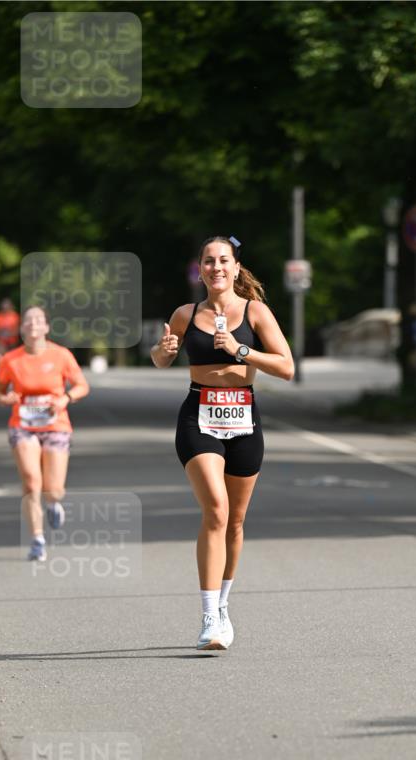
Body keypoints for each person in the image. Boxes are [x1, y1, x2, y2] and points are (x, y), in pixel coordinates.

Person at [151, 236, 294, 650]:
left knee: (235, 520)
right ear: (200, 269)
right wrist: (163, 351)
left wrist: (240, 349)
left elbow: (286, 367)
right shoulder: (185, 313)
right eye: (208, 261)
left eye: (223, 261)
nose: (216, 267)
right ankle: (209, 615)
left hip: (244, 418)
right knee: (215, 509)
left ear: (235, 268)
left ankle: (224, 605)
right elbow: (162, 359)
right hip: (199, 417)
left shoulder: (256, 312)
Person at [0, 305, 90, 561]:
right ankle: (37, 539)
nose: (33, 323)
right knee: (31, 481)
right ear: (22, 328)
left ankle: (53, 503)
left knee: (53, 488)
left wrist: (66, 398)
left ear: (46, 327)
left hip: (56, 425)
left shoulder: (61, 356)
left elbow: (82, 386)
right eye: (28, 320)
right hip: (22, 426)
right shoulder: (10, 360)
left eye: (39, 320)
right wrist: (7, 398)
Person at [0, 297, 20, 365]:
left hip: (13, 341)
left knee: (13, 354)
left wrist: (10, 334)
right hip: (1, 341)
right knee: (0, 350)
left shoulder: (15, 316)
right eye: (3, 305)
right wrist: (1, 334)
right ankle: (2, 366)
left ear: (10, 306)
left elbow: (19, 329)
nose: (5, 307)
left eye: (6, 305)